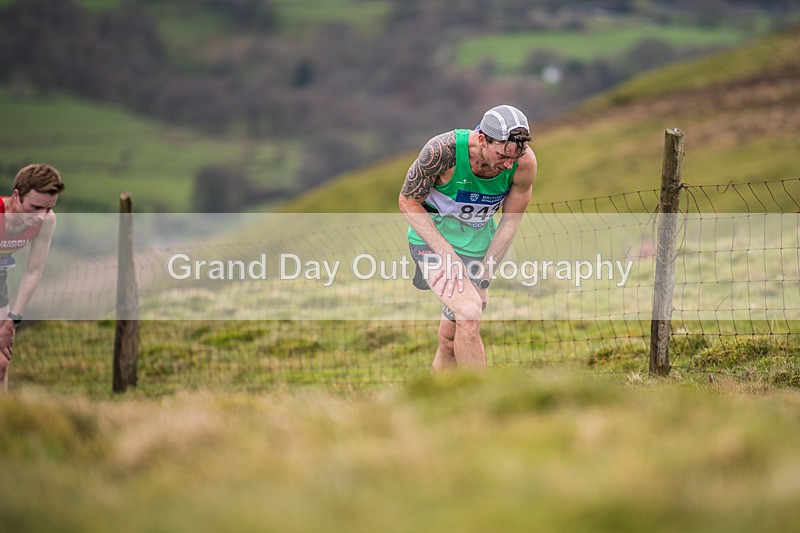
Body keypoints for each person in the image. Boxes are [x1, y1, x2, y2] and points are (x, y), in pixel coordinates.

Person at [399, 104, 537, 371]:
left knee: (451, 338)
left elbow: (510, 222)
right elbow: (407, 201)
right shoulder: (442, 152)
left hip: (477, 249)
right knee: (470, 314)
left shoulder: (523, 163)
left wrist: (484, 276)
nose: (508, 164)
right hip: (432, 243)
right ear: (483, 139)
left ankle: (438, 401)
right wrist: (447, 256)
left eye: (515, 158)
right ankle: (480, 403)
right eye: (502, 155)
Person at [0, 164, 64, 391]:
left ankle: (4, 423)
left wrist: (12, 320)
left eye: (47, 208)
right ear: (16, 195)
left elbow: (33, 272)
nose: (40, 216)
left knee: (2, 365)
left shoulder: (46, 221)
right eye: (35, 207)